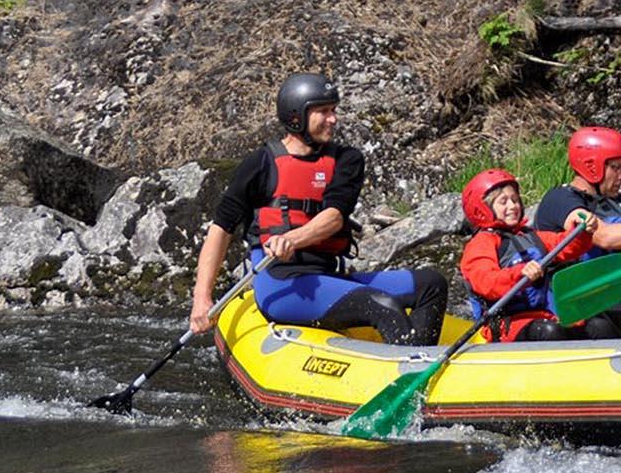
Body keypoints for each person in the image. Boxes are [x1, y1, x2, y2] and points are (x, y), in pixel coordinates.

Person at [188, 73, 445, 345]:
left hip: (327, 276)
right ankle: (409, 373)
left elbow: (333, 218)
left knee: (432, 283)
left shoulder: (347, 160)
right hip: (283, 281)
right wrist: (202, 298)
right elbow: (221, 227)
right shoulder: (260, 164)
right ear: (296, 117)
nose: (333, 119)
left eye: (333, 110)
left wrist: (291, 239)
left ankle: (421, 362)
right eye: (323, 111)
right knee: (381, 304)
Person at [531, 125, 621, 337]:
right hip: (577, 301)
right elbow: (604, 237)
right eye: (616, 168)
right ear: (592, 166)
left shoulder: (615, 202)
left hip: (613, 294)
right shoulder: (560, 199)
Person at [457, 168, 604, 342]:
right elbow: (485, 282)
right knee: (549, 332)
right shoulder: (481, 244)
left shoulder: (529, 236)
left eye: (514, 200)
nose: (512, 206)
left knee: (598, 326)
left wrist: (582, 232)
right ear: (483, 209)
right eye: (503, 202)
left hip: (543, 315)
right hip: (506, 324)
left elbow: (566, 246)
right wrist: (520, 274)